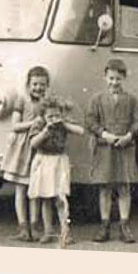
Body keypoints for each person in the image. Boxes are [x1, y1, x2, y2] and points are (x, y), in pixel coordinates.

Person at [86, 58, 138, 244]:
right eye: (111, 78)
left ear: (124, 78)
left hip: (125, 148)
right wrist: (104, 134)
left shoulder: (132, 100)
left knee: (124, 187)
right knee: (105, 187)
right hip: (105, 148)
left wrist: (129, 135)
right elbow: (91, 121)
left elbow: (137, 122)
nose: (114, 82)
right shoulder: (97, 99)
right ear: (105, 77)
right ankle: (104, 226)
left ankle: (124, 226)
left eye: (118, 79)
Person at [0, 66, 48, 241]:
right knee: (20, 188)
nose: (38, 88)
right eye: (34, 84)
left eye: (42, 84)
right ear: (28, 85)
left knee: (35, 190)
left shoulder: (47, 103)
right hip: (22, 149)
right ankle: (23, 227)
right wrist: (33, 123)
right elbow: (15, 125)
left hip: (39, 148)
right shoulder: (21, 100)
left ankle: (34, 226)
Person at [27, 94, 84, 247]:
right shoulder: (39, 124)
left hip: (59, 160)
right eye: (50, 116)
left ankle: (65, 231)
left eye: (57, 115)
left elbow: (80, 131)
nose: (53, 118)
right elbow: (33, 143)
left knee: (61, 198)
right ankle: (48, 231)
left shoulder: (62, 123)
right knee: (46, 197)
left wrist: (64, 123)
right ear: (43, 115)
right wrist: (45, 131)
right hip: (44, 160)